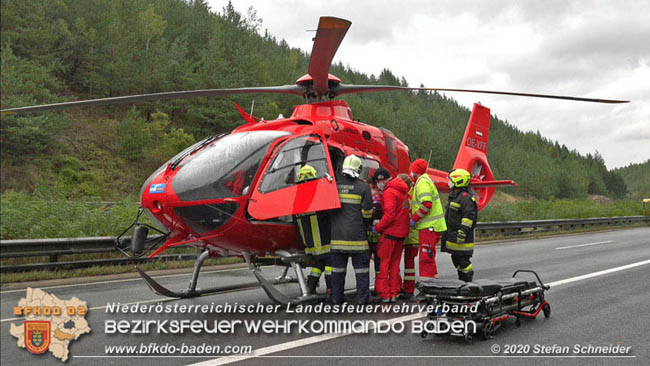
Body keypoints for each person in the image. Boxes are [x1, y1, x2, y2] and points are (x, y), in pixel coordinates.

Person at [329, 155, 374, 304]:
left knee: (337, 271)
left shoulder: (333, 186)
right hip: (358, 239)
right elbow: (367, 213)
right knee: (361, 271)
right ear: (359, 169)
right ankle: (362, 300)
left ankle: (337, 299)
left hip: (337, 238)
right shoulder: (363, 187)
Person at [293, 164, 332, 296]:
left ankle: (310, 287)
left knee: (318, 264)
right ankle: (331, 289)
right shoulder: (318, 196)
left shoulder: (296, 199)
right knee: (329, 264)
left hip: (309, 243)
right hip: (323, 241)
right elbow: (327, 217)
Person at [372, 173, 411, 302]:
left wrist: (378, 228)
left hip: (390, 233)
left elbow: (389, 215)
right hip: (401, 233)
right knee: (395, 264)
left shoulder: (390, 192)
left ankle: (384, 294)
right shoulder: (404, 192)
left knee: (384, 263)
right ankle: (394, 292)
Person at [409, 159, 447, 282]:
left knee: (426, 257)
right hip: (432, 226)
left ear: (415, 171)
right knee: (429, 256)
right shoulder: (424, 181)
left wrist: (414, 219)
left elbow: (426, 204)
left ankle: (427, 285)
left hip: (429, 226)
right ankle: (433, 280)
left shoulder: (422, 183)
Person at [441, 168, 477, 282]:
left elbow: (468, 217)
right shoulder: (455, 196)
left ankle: (467, 283)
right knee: (456, 259)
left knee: (463, 262)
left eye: (451, 180)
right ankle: (462, 281)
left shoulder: (466, 198)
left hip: (462, 238)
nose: (449, 182)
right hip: (453, 237)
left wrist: (462, 232)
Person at [368, 167, 391, 277]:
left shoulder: (388, 192)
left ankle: (381, 283)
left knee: (380, 260)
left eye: (381, 181)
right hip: (370, 231)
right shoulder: (372, 192)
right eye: (377, 181)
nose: (379, 183)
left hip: (381, 231)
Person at [399, 183, 420, 301]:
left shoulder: (407, 197)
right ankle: (408, 289)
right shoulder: (413, 196)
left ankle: (405, 289)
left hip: (407, 235)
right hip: (412, 235)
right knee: (409, 265)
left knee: (405, 264)